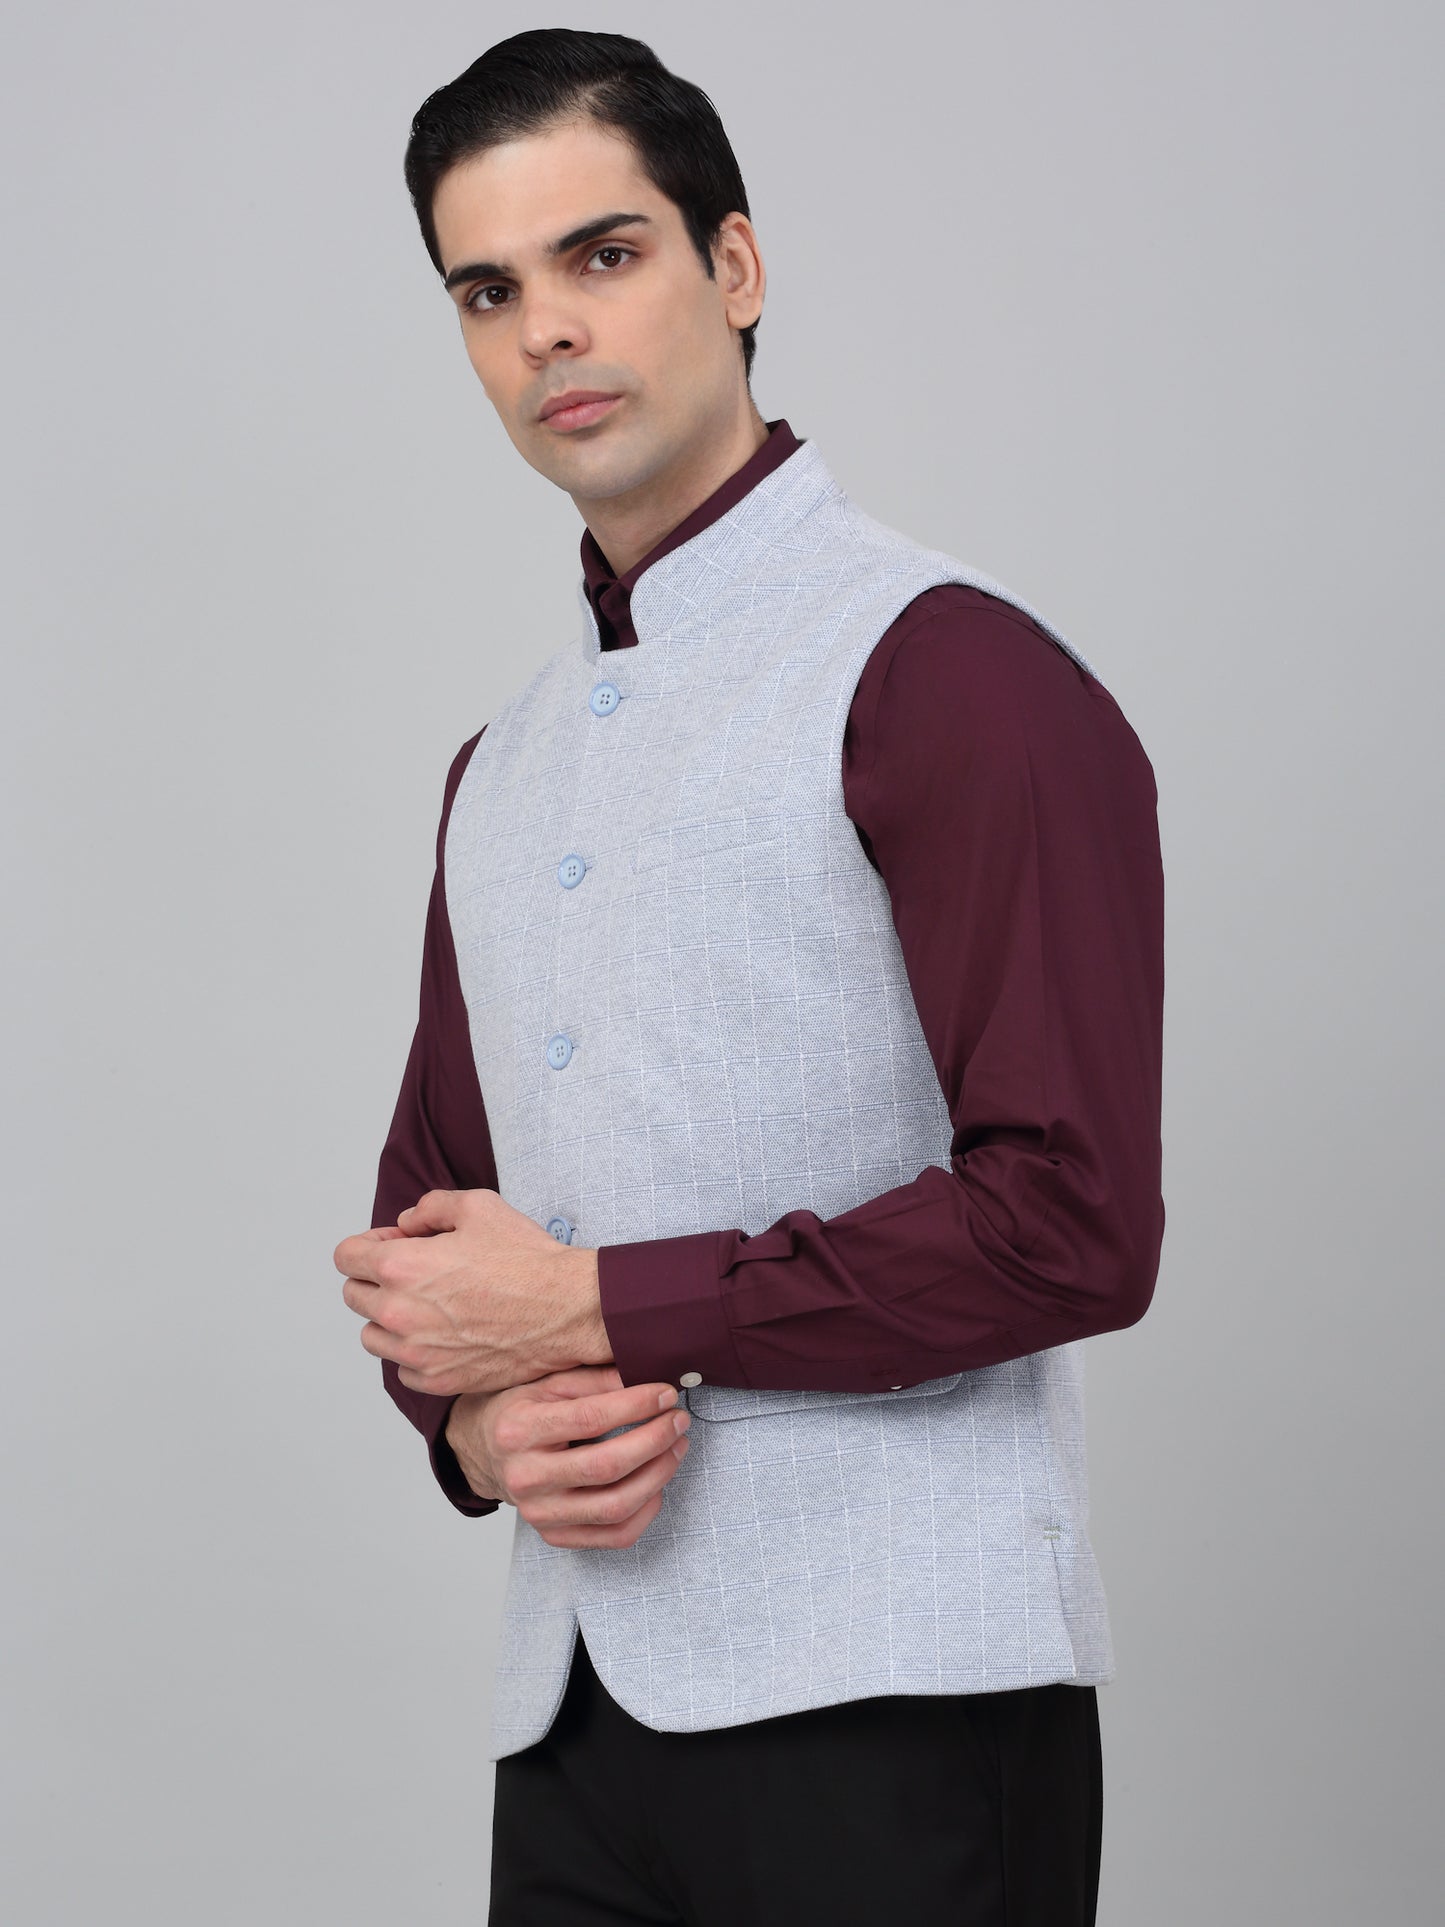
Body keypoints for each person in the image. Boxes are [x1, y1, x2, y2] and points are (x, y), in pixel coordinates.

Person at [333, 28, 1165, 1925]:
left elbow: (1071, 1226)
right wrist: (475, 1426)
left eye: (602, 253)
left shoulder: (953, 675)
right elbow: (427, 1240)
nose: (547, 328)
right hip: (572, 1724)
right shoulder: (498, 765)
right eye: (487, 290)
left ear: (734, 266)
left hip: (901, 1704)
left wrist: (595, 1308)